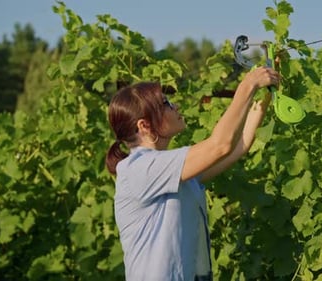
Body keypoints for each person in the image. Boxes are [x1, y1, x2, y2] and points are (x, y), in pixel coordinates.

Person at [105, 66, 280, 281]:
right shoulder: (140, 169)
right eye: (166, 104)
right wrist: (248, 84)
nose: (175, 105)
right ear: (144, 125)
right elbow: (220, 145)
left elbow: (236, 148)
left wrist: (263, 99)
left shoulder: (172, 172)